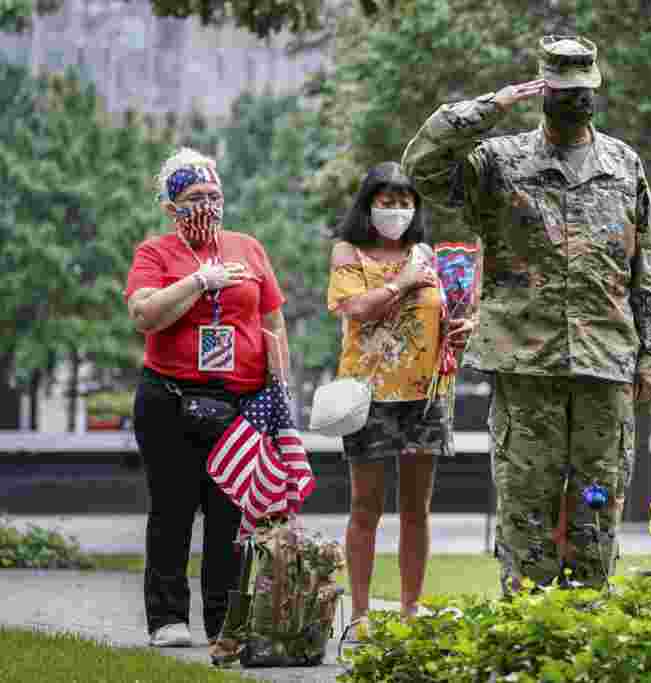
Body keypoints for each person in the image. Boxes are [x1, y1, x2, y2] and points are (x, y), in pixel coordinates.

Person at [403, 36, 651, 593]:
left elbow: (647, 263)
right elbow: (423, 168)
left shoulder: (623, 164)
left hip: (606, 362)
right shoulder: (499, 163)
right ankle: (529, 632)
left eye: (584, 91)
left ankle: (586, 629)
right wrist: (492, 105)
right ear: (541, 90)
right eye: (561, 91)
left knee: (597, 505)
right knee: (526, 504)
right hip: (526, 364)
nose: (575, 102)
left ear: (595, 89)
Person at [125, 147, 290, 647]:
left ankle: (223, 621)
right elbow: (144, 314)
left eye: (214, 195)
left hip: (238, 403)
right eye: (195, 197)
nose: (208, 205)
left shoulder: (248, 248)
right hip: (170, 400)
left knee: (228, 516)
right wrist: (198, 282)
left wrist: (280, 389)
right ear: (171, 207)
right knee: (172, 509)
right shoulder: (156, 254)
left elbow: (272, 320)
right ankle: (168, 618)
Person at [326, 161, 469, 642]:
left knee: (417, 508)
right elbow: (357, 310)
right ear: (368, 204)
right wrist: (406, 280)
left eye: (405, 201)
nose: (396, 209)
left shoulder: (427, 253)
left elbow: (437, 313)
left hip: (424, 395)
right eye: (386, 200)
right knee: (366, 506)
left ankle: (411, 611)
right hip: (367, 397)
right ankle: (361, 616)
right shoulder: (349, 252)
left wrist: (458, 330)